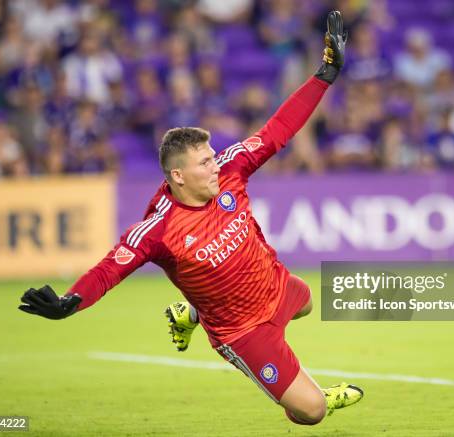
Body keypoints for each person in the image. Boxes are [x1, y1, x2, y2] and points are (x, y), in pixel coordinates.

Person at [18, 11, 363, 425]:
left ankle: (190, 313)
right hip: (241, 331)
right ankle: (290, 380)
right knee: (311, 412)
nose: (216, 165)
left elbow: (278, 130)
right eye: (205, 162)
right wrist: (70, 303)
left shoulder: (233, 168)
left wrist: (324, 74)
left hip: (274, 284)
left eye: (213, 156)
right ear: (178, 175)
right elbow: (110, 269)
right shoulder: (158, 229)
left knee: (307, 302)